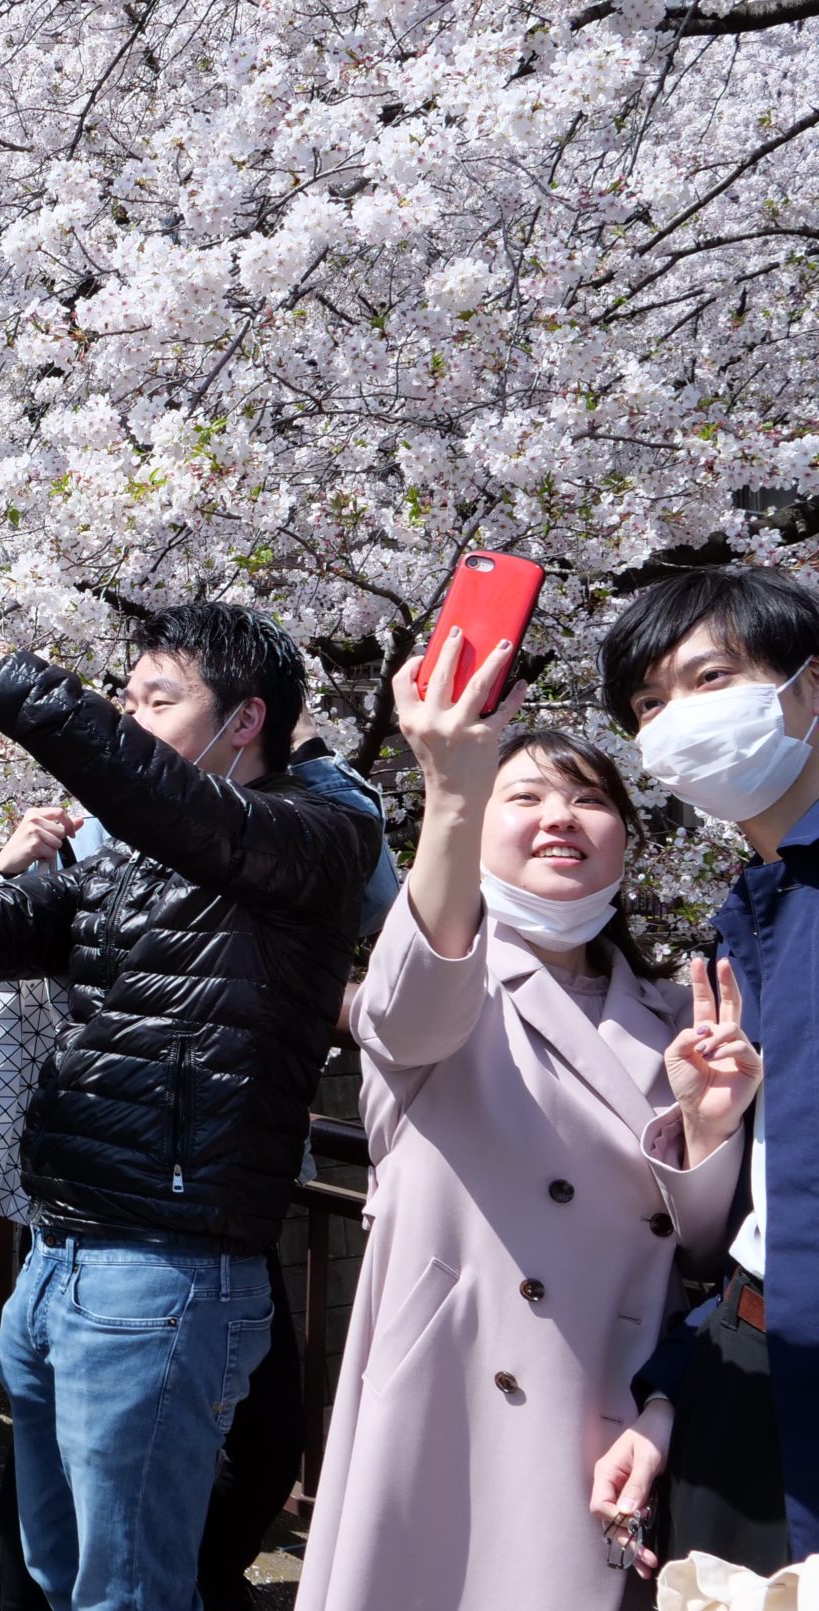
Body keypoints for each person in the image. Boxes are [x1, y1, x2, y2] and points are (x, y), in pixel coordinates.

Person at [0, 602, 380, 1611]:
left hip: (163, 1270)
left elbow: (156, 795)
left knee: (129, 1591)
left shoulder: (316, 835)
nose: (133, 719)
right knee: (56, 1575)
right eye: (129, 698)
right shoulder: (137, 852)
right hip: (64, 1258)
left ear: (244, 720)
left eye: (159, 699)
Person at [295, 639, 742, 1609]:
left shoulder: (679, 1016)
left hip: (605, 1414)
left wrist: (707, 1134)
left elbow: (707, 1246)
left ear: (625, 836)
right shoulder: (442, 987)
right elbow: (412, 1000)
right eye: (524, 797)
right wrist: (449, 791)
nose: (559, 819)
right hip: (451, 1399)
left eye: (587, 800)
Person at [588, 566, 815, 1575]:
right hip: (749, 1362)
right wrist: (677, 1387)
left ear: (806, 689)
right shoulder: (747, 918)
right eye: (647, 704)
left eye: (708, 677)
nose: (674, 720)